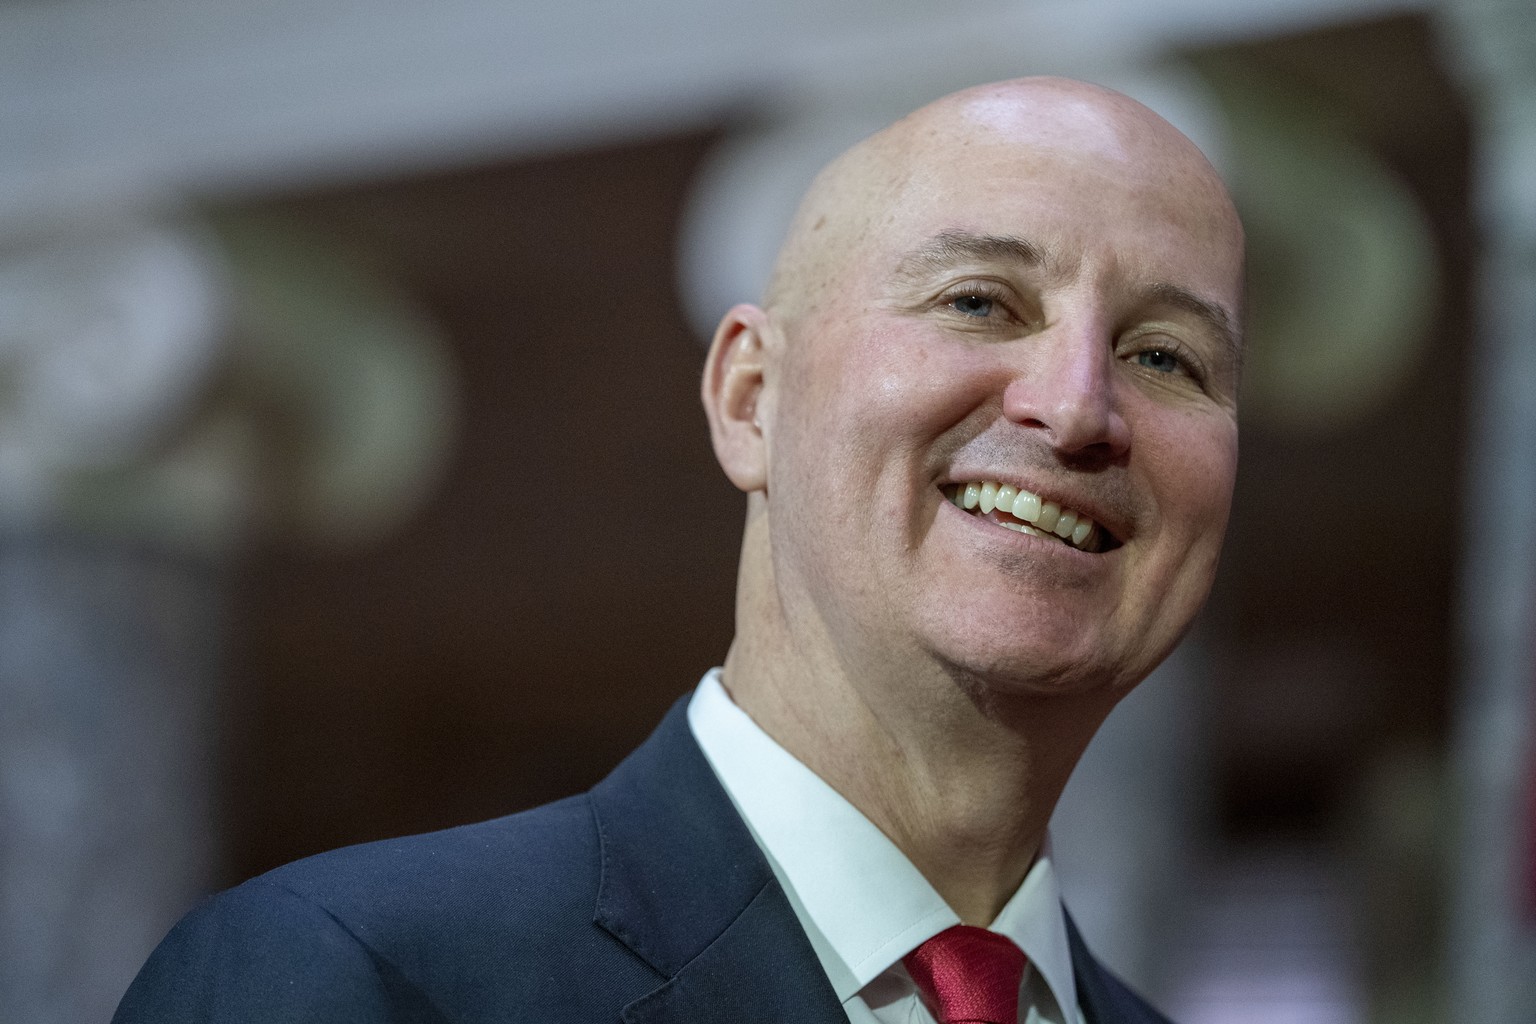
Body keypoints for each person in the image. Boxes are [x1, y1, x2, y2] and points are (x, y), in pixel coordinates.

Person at [114, 76, 1244, 1024]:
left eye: (1165, 358)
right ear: (752, 399)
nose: (1081, 404)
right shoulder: (343, 977)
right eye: (982, 302)